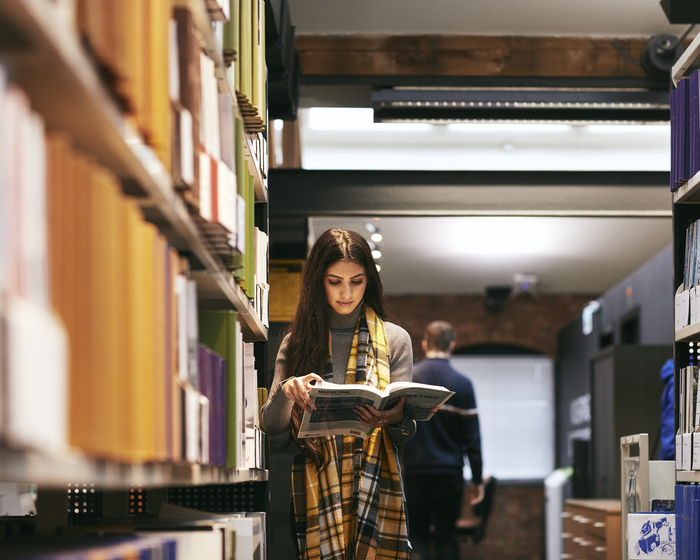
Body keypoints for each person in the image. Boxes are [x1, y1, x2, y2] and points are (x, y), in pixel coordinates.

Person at [260, 228, 416, 560]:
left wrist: (393, 417)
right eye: (335, 282)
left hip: (375, 491)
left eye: (356, 281)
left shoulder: (395, 340)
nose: (346, 293)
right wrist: (288, 391)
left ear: (369, 282)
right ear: (318, 281)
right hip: (314, 493)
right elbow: (271, 426)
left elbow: (404, 435)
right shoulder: (297, 340)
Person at [401, 321, 484, 560]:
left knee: (417, 538)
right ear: (452, 345)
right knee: (446, 537)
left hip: (415, 472)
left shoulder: (410, 379)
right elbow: (472, 438)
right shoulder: (463, 384)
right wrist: (477, 480)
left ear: (425, 343)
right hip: (450, 474)